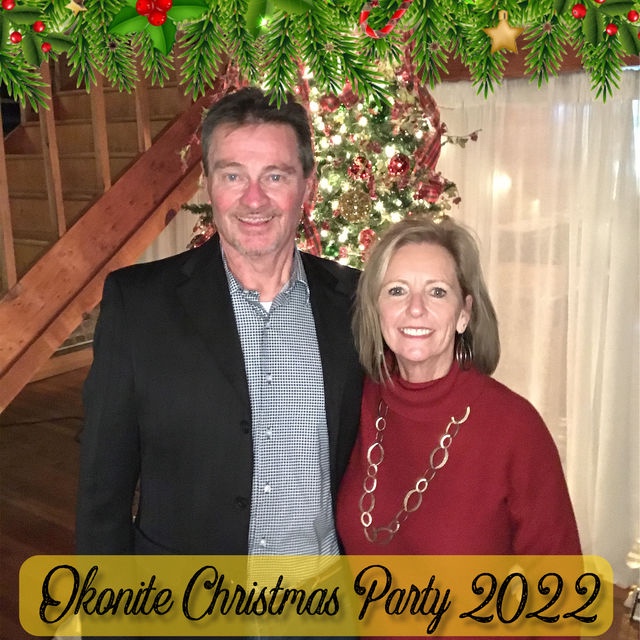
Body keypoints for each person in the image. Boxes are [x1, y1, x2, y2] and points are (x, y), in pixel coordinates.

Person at [76, 87, 364, 569]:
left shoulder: (354, 300)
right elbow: (102, 486)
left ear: (308, 187)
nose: (254, 199)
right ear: (209, 185)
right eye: (233, 175)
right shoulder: (139, 304)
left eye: (275, 175)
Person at [337, 214, 581, 553]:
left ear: (464, 313)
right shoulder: (354, 399)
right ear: (376, 309)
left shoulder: (515, 426)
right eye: (397, 290)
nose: (416, 308)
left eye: (437, 292)